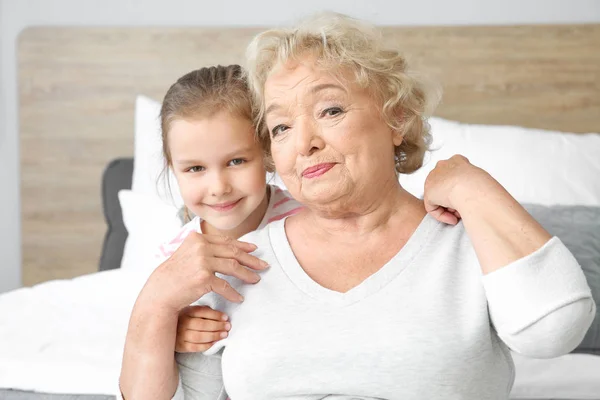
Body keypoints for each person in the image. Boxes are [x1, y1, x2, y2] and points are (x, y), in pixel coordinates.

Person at [120, 13, 596, 400]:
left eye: (330, 110)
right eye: (282, 127)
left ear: (397, 118)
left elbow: (555, 330)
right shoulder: (234, 263)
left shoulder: (470, 238)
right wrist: (155, 306)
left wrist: (472, 185)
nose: (303, 143)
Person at [119, 64, 302, 399]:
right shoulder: (173, 259)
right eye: (196, 168)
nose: (218, 187)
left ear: (266, 151)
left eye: (236, 162)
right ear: (172, 168)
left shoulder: (306, 218)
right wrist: (171, 332)